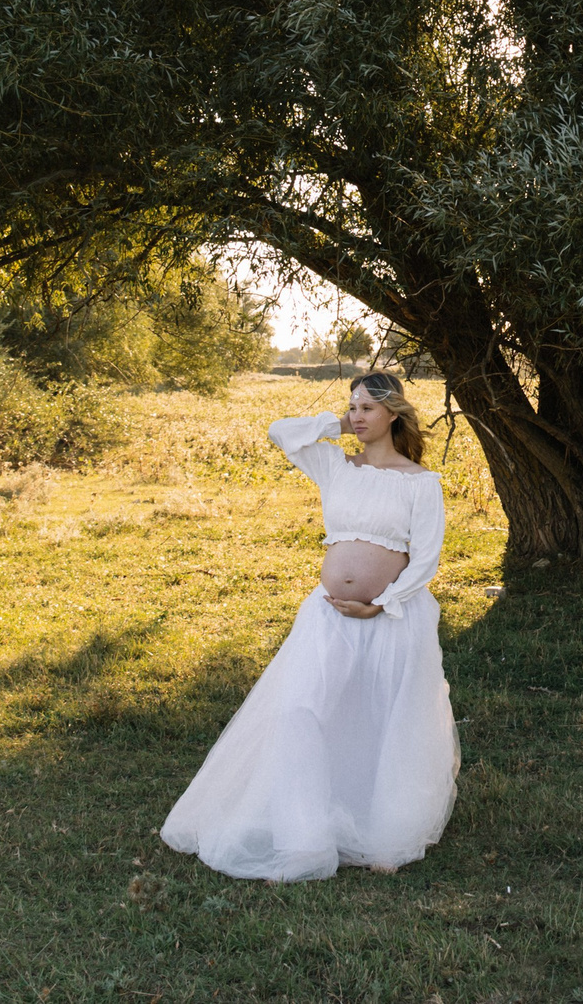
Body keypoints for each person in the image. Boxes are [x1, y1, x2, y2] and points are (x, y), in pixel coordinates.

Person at [159, 371, 458, 881]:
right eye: (353, 407)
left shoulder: (420, 483)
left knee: (386, 719)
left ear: (393, 414)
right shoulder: (335, 466)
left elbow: (426, 559)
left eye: (367, 408)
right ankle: (304, 834)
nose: (358, 416)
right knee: (302, 710)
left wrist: (383, 602)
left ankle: (387, 834)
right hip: (328, 616)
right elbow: (281, 431)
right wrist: (339, 423)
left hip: (393, 618)